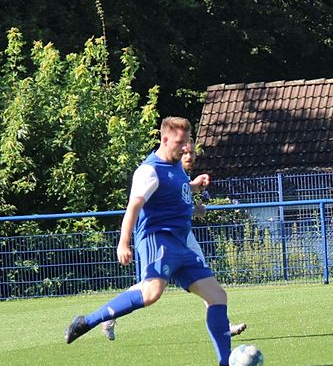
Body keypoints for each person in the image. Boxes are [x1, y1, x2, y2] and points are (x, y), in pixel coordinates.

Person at [66, 117, 245, 366]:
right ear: (165, 139)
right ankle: (87, 322)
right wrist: (123, 243)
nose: (185, 148)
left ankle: (226, 364)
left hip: (182, 242)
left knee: (217, 296)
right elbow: (133, 207)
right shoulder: (148, 171)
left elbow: (175, 191)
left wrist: (193, 188)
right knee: (151, 293)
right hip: (157, 239)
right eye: (180, 143)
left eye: (187, 142)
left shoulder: (176, 168)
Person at [100, 140, 245, 341]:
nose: (189, 156)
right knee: (150, 287)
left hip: (184, 236)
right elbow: (159, 206)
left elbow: (180, 197)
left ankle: (224, 325)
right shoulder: (159, 169)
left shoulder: (179, 172)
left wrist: (194, 191)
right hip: (161, 236)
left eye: (192, 152)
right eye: (185, 152)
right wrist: (123, 242)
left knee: (204, 278)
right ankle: (110, 313)